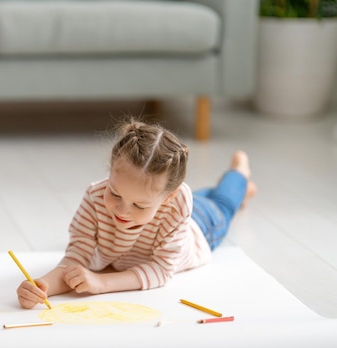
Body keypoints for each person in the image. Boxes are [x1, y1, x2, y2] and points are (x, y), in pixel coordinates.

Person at [16, 118, 257, 309]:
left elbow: (162, 270)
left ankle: (239, 173)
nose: (122, 211)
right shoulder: (95, 196)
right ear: (110, 173)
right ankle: (238, 187)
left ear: (169, 198)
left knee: (223, 205)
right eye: (116, 194)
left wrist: (102, 283)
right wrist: (42, 285)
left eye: (139, 206)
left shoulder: (178, 203)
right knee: (207, 197)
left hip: (200, 227)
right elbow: (76, 258)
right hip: (168, 204)